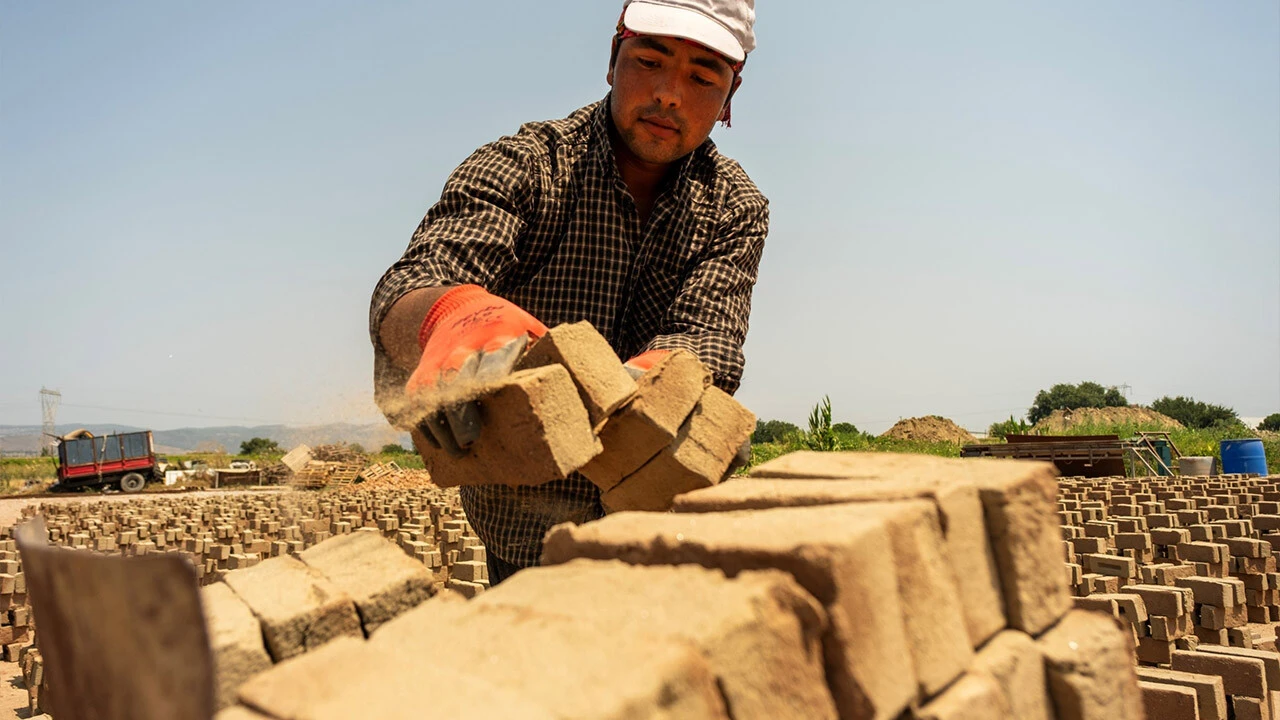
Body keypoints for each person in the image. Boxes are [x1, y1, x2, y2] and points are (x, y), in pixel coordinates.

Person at [369, 0, 766, 585]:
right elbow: (418, 278)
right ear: (613, 59)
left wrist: (660, 388)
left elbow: (707, 335)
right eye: (650, 62)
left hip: (657, 527)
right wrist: (452, 316)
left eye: (702, 78)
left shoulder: (734, 208)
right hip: (523, 532)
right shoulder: (524, 166)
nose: (669, 95)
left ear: (730, 95)